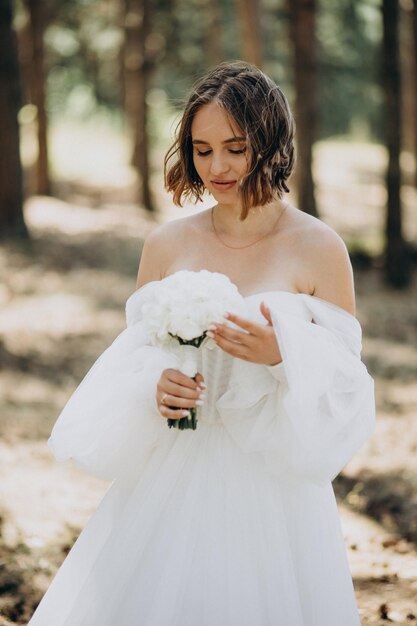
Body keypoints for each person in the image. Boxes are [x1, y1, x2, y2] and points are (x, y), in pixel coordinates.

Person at [29, 61, 375, 625]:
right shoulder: (167, 244)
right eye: (202, 148)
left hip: (273, 489)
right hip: (173, 471)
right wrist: (155, 387)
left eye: (236, 148)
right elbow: (134, 360)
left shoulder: (320, 247)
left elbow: (346, 386)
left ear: (271, 143)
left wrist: (285, 354)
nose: (217, 166)